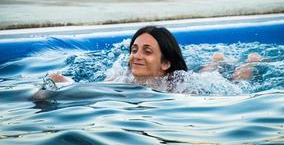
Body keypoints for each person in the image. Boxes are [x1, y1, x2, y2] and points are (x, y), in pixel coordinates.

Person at [33, 26, 188, 100]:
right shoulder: (120, 80)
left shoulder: (179, 88)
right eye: (134, 50)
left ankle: (214, 61)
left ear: (166, 63)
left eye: (147, 51)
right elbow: (87, 88)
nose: (137, 56)